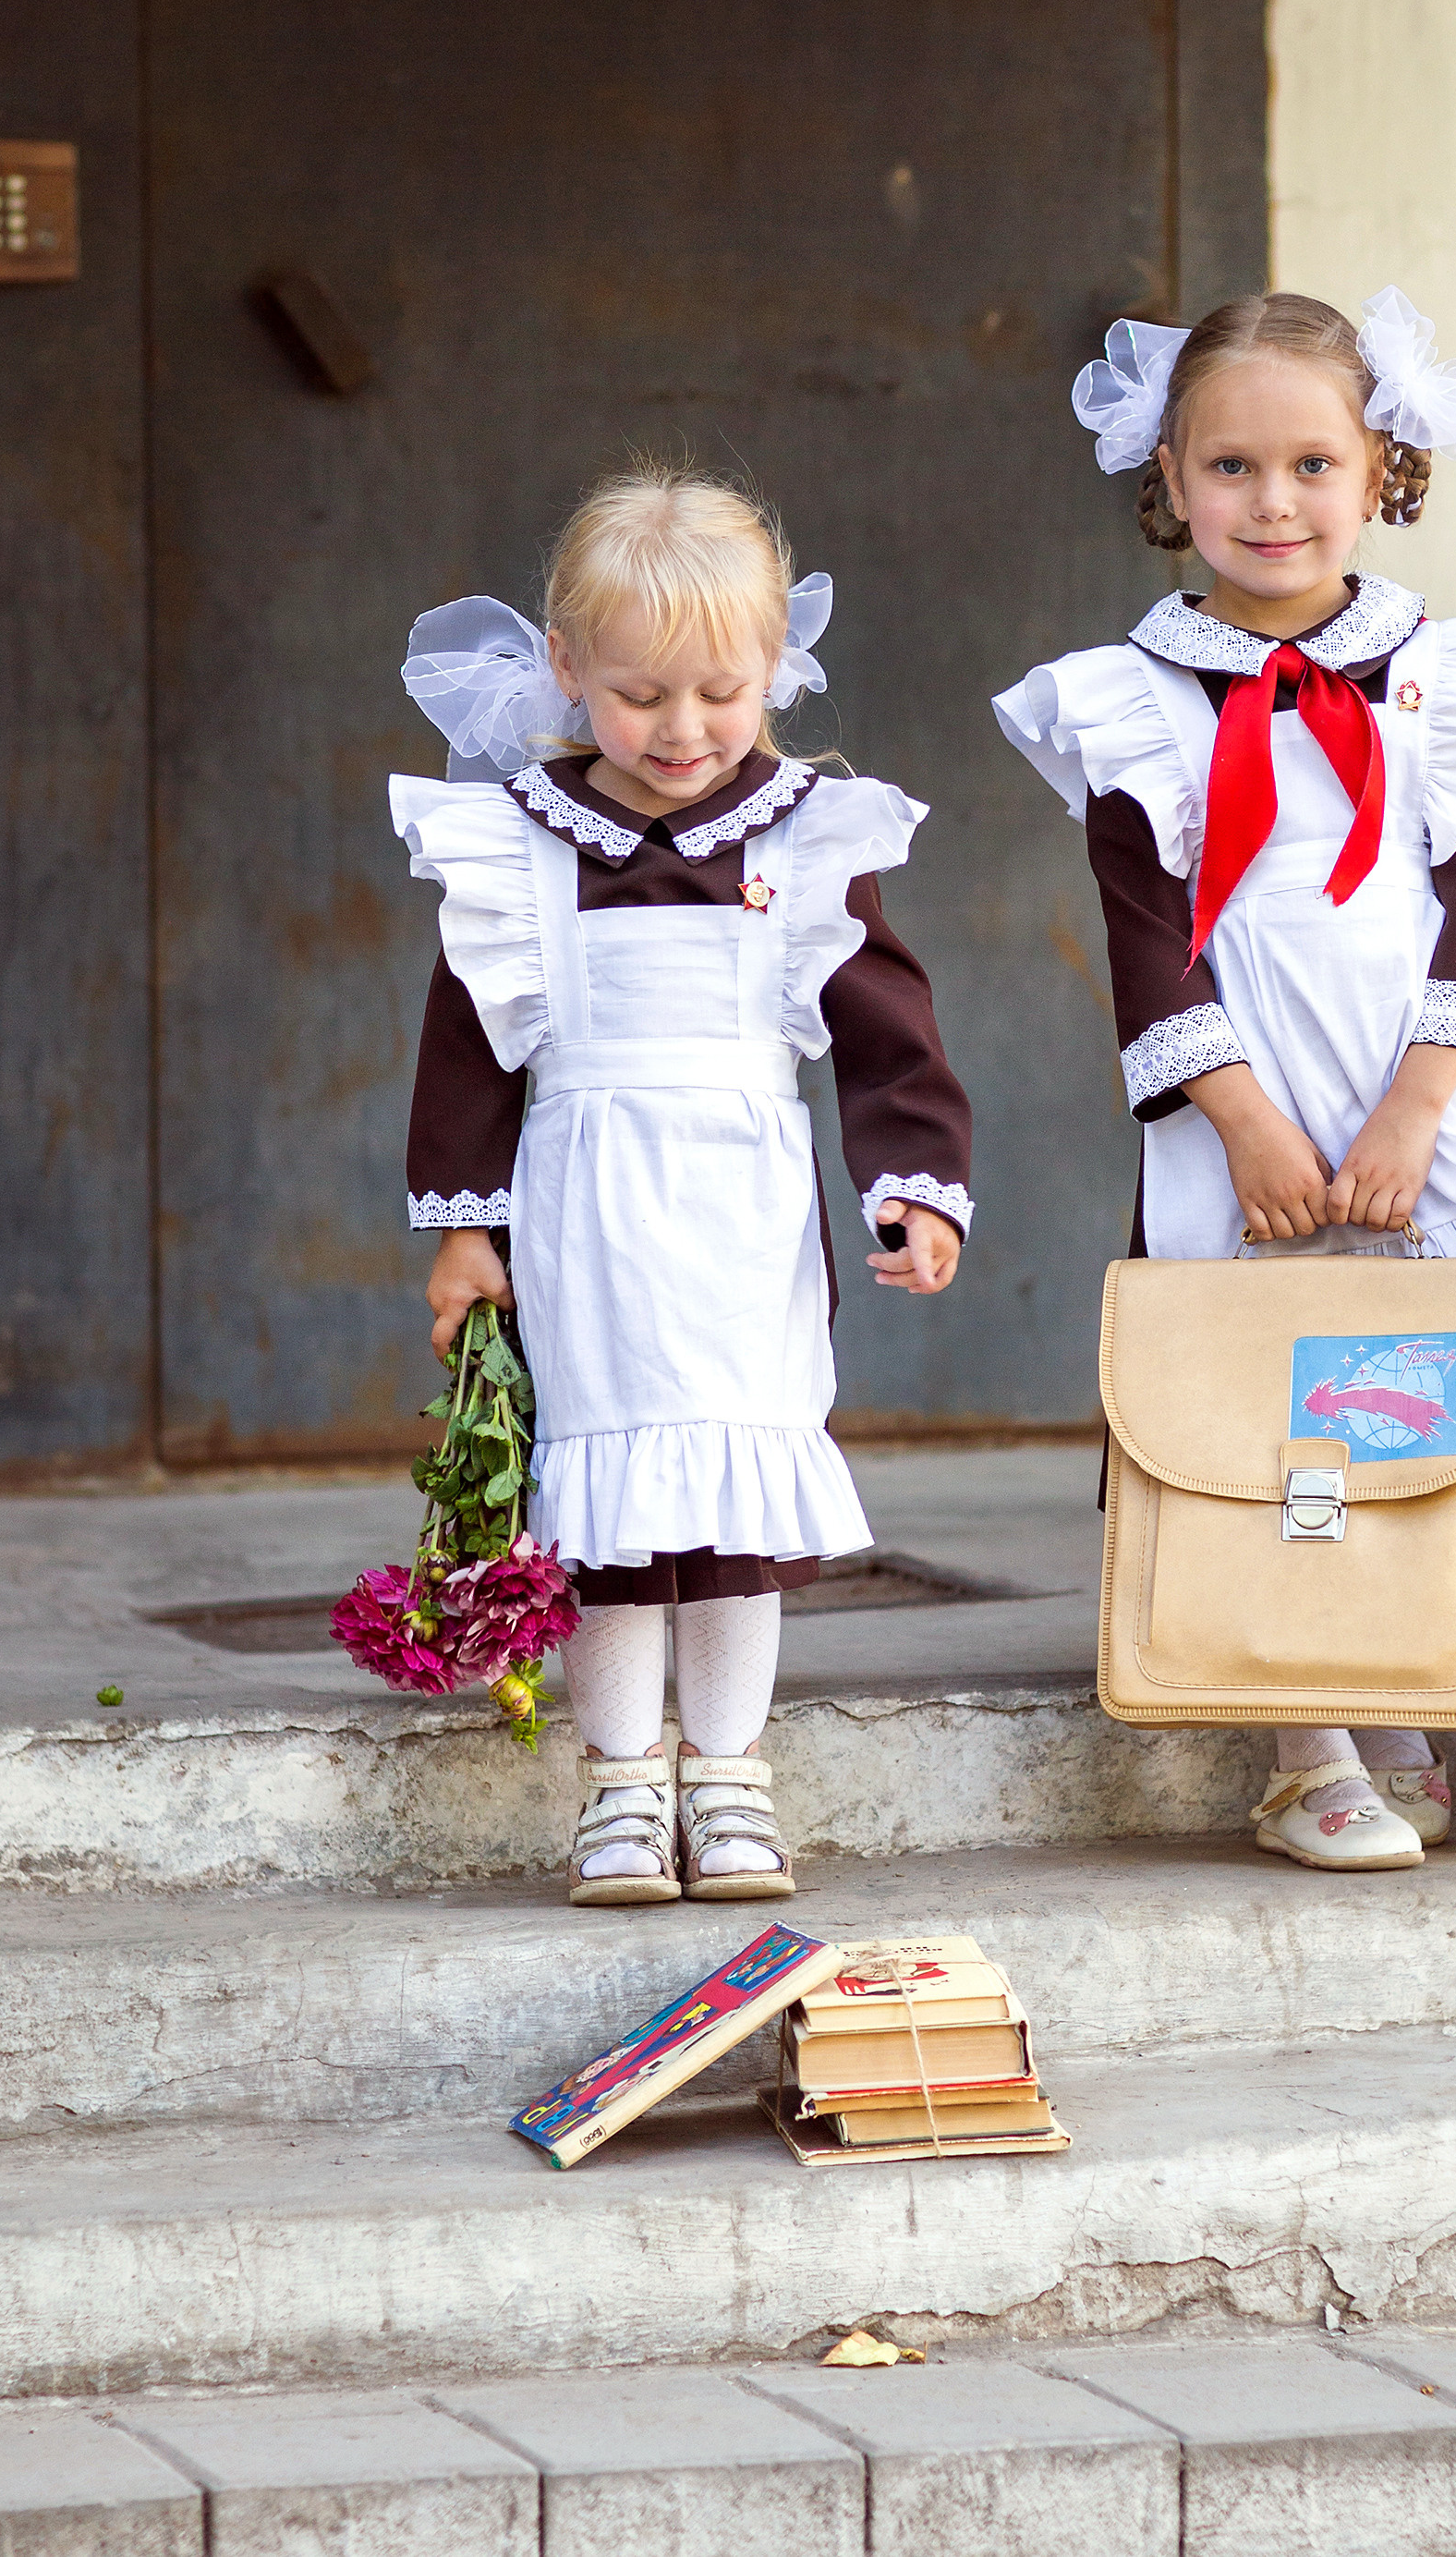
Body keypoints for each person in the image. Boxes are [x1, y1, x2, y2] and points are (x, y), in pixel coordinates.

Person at [995, 291, 1456, 1872]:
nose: (1272, 503)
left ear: (1379, 468)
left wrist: (1418, 1099)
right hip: (1244, 1090)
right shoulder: (1134, 701)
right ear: (1167, 478)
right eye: (1230, 467)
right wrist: (1243, 1117)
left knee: (1415, 1362)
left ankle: (1407, 1662)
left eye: (1312, 464)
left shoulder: (1440, 677)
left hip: (1416, 1068)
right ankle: (1302, 1738)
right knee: (1265, 1385)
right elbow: (1148, 933)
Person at [390, 468, 972, 1907]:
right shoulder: (521, 846)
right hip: (584, 1209)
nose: (684, 730)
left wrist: (916, 1183)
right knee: (603, 1503)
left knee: (726, 1501)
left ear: (775, 666)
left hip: (742, 1210)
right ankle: (620, 1790)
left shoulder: (806, 835)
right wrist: (465, 1228)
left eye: (721, 691)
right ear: (567, 668)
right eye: (642, 694)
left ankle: (727, 1774)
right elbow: (468, 1049)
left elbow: (887, 1030)